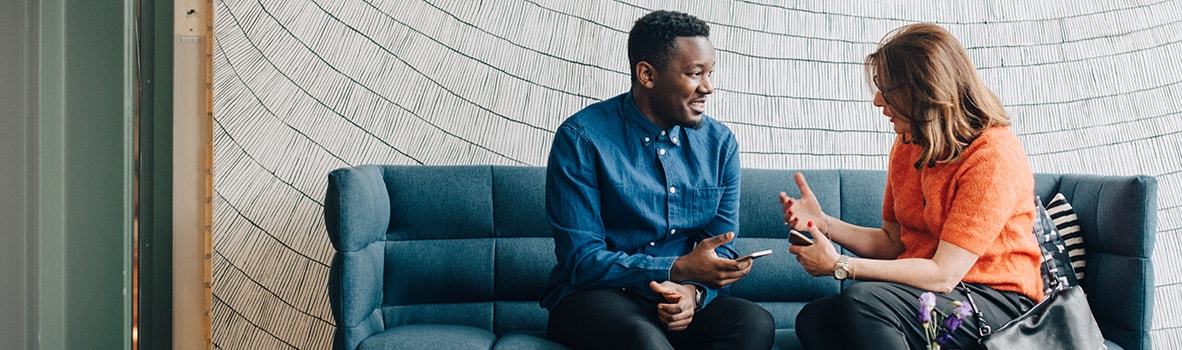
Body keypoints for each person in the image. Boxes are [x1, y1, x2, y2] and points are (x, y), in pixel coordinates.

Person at [780, 23, 1044, 350]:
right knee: (817, 319)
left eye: (888, 90)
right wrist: (823, 224)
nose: (878, 101)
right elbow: (893, 243)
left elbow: (944, 273)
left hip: (999, 302)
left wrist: (841, 266)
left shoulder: (993, 155)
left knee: (864, 300)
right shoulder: (908, 145)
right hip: (933, 293)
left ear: (927, 91)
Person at [541, 10, 775, 350]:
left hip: (678, 297)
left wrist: (693, 294)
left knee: (753, 323)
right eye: (695, 74)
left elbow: (719, 246)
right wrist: (675, 268)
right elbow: (581, 260)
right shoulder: (582, 139)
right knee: (643, 338)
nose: (707, 88)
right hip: (596, 297)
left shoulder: (720, 145)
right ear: (647, 74)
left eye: (710, 73)